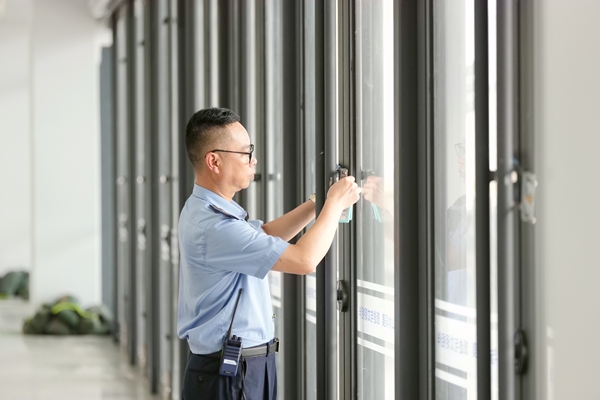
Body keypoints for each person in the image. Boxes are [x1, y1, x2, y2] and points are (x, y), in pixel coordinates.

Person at [178, 107, 361, 400]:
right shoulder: (214, 226)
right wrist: (335, 205)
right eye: (246, 152)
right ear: (214, 160)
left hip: (242, 366)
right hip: (229, 373)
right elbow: (304, 260)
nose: (254, 160)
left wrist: (318, 203)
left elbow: (263, 236)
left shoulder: (208, 210)